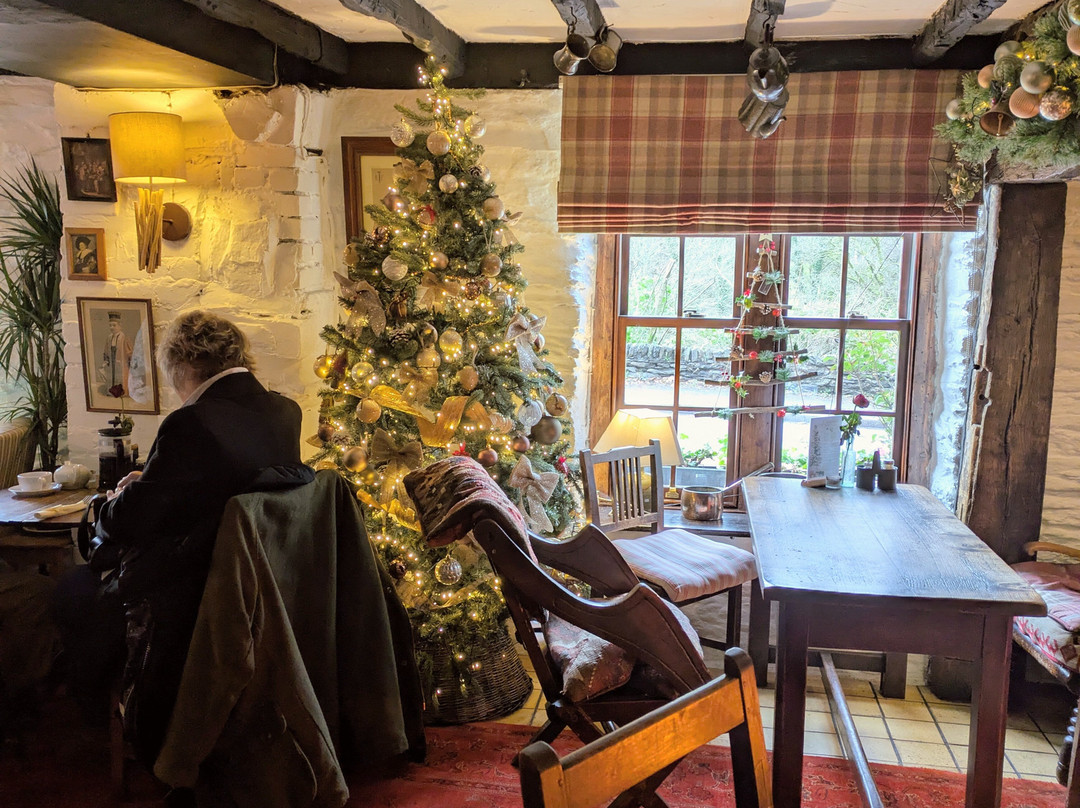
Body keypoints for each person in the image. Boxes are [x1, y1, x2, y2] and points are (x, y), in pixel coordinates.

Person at [58, 310, 315, 771]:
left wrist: (113, 500)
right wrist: (149, 483)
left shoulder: (191, 422)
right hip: (267, 579)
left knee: (71, 591)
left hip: (193, 591)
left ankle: (104, 719)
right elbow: (216, 484)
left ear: (181, 365)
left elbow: (131, 522)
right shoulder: (284, 411)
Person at [99, 312, 133, 397]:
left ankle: (122, 392)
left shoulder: (124, 337)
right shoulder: (109, 338)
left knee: (121, 377)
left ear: (120, 326)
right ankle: (111, 391)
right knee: (111, 376)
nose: (112, 327)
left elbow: (130, 352)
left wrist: (130, 362)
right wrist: (106, 361)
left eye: (114, 325)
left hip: (122, 363)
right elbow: (106, 351)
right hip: (111, 362)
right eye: (110, 325)